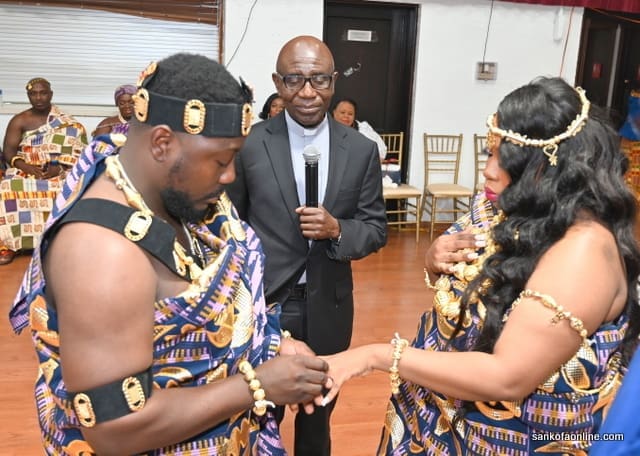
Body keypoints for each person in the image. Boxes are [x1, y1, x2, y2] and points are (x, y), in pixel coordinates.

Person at [8, 53, 332, 455]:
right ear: (162, 143)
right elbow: (114, 431)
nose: (230, 175)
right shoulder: (104, 254)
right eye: (221, 160)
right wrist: (257, 385)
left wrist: (269, 344)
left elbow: (218, 308)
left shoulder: (179, 193)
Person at [322, 76, 640, 454]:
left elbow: (507, 377)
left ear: (548, 166)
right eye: (490, 152)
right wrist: (433, 259)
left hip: (513, 439)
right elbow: (468, 280)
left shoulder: (582, 252)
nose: (488, 170)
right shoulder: (505, 206)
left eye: (505, 159)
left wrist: (375, 355)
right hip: (441, 417)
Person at [226, 35, 387, 455]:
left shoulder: (361, 150)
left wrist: (337, 230)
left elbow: (375, 229)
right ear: (277, 83)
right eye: (295, 80)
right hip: (265, 305)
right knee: (259, 415)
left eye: (319, 79)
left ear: (333, 81)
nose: (308, 92)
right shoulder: (250, 144)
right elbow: (230, 226)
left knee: (318, 419)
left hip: (328, 305)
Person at [0, 77, 87, 265]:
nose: (38, 98)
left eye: (43, 93)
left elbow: (78, 151)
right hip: (25, 167)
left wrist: (60, 165)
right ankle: (11, 244)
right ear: (28, 96)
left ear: (51, 94)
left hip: (60, 170)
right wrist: (26, 167)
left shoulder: (66, 122)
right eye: (33, 94)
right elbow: (9, 152)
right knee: (7, 187)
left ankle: (63, 244)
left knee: (73, 187)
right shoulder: (19, 120)